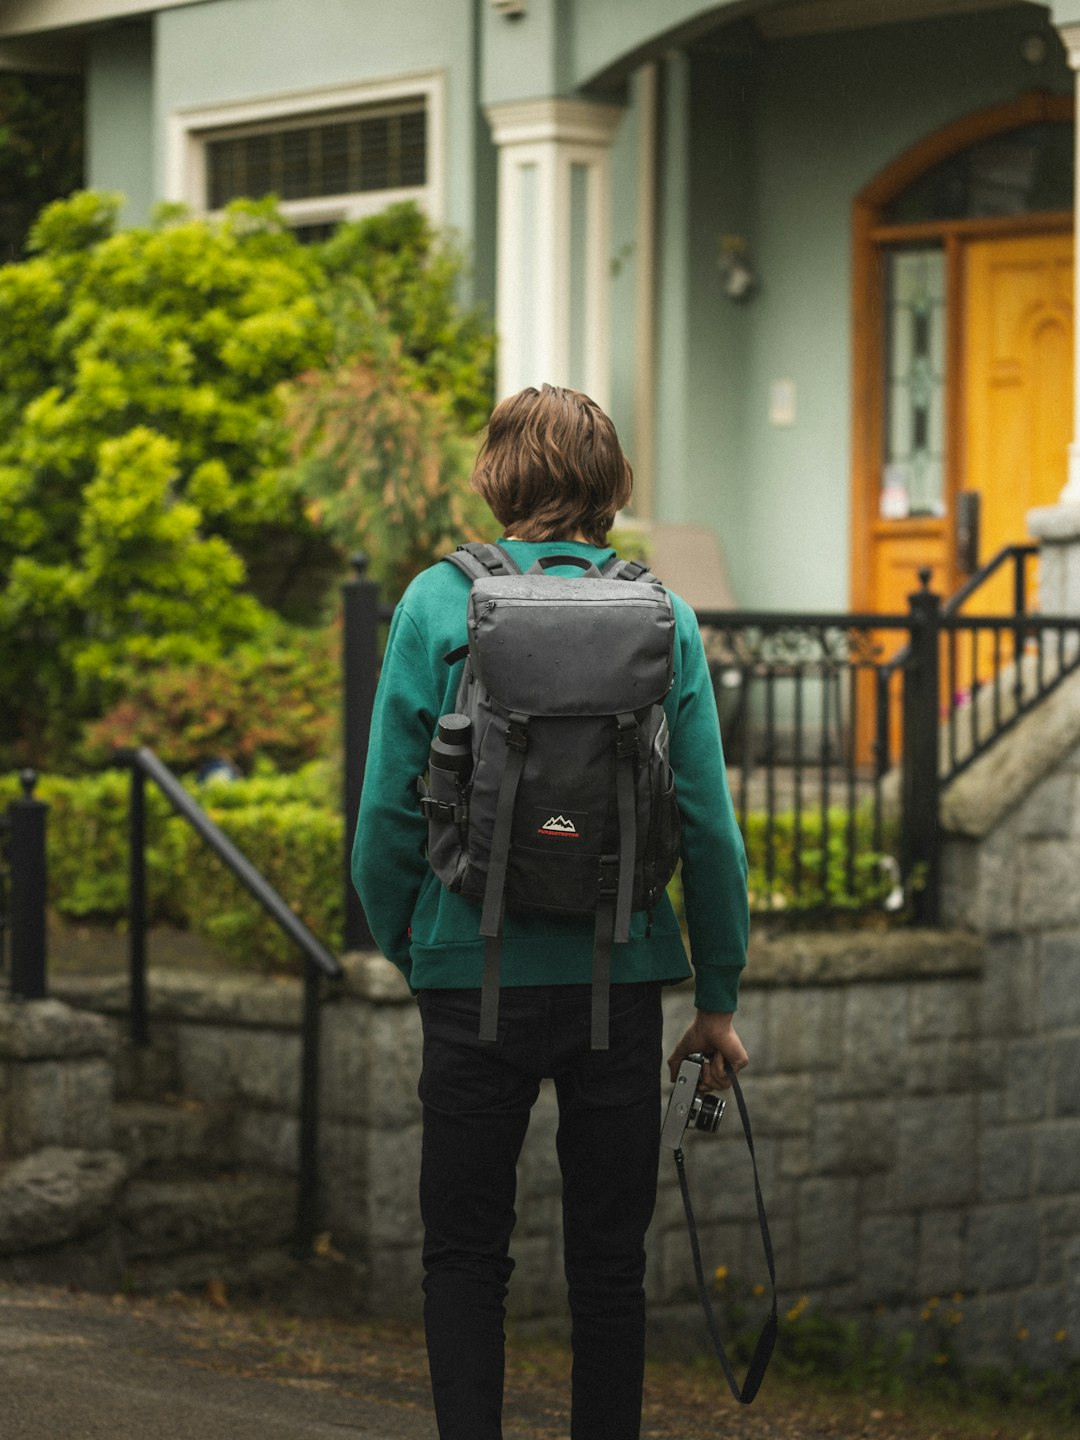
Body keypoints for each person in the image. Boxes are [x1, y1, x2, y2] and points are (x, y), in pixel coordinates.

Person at [353, 383, 749, 1440]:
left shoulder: (438, 603)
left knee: (465, 1255)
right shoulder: (661, 613)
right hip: (616, 982)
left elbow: (386, 818)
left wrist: (419, 946)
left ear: (496, 478)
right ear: (611, 487)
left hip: (467, 978)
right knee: (610, 1266)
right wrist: (715, 996)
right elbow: (707, 824)